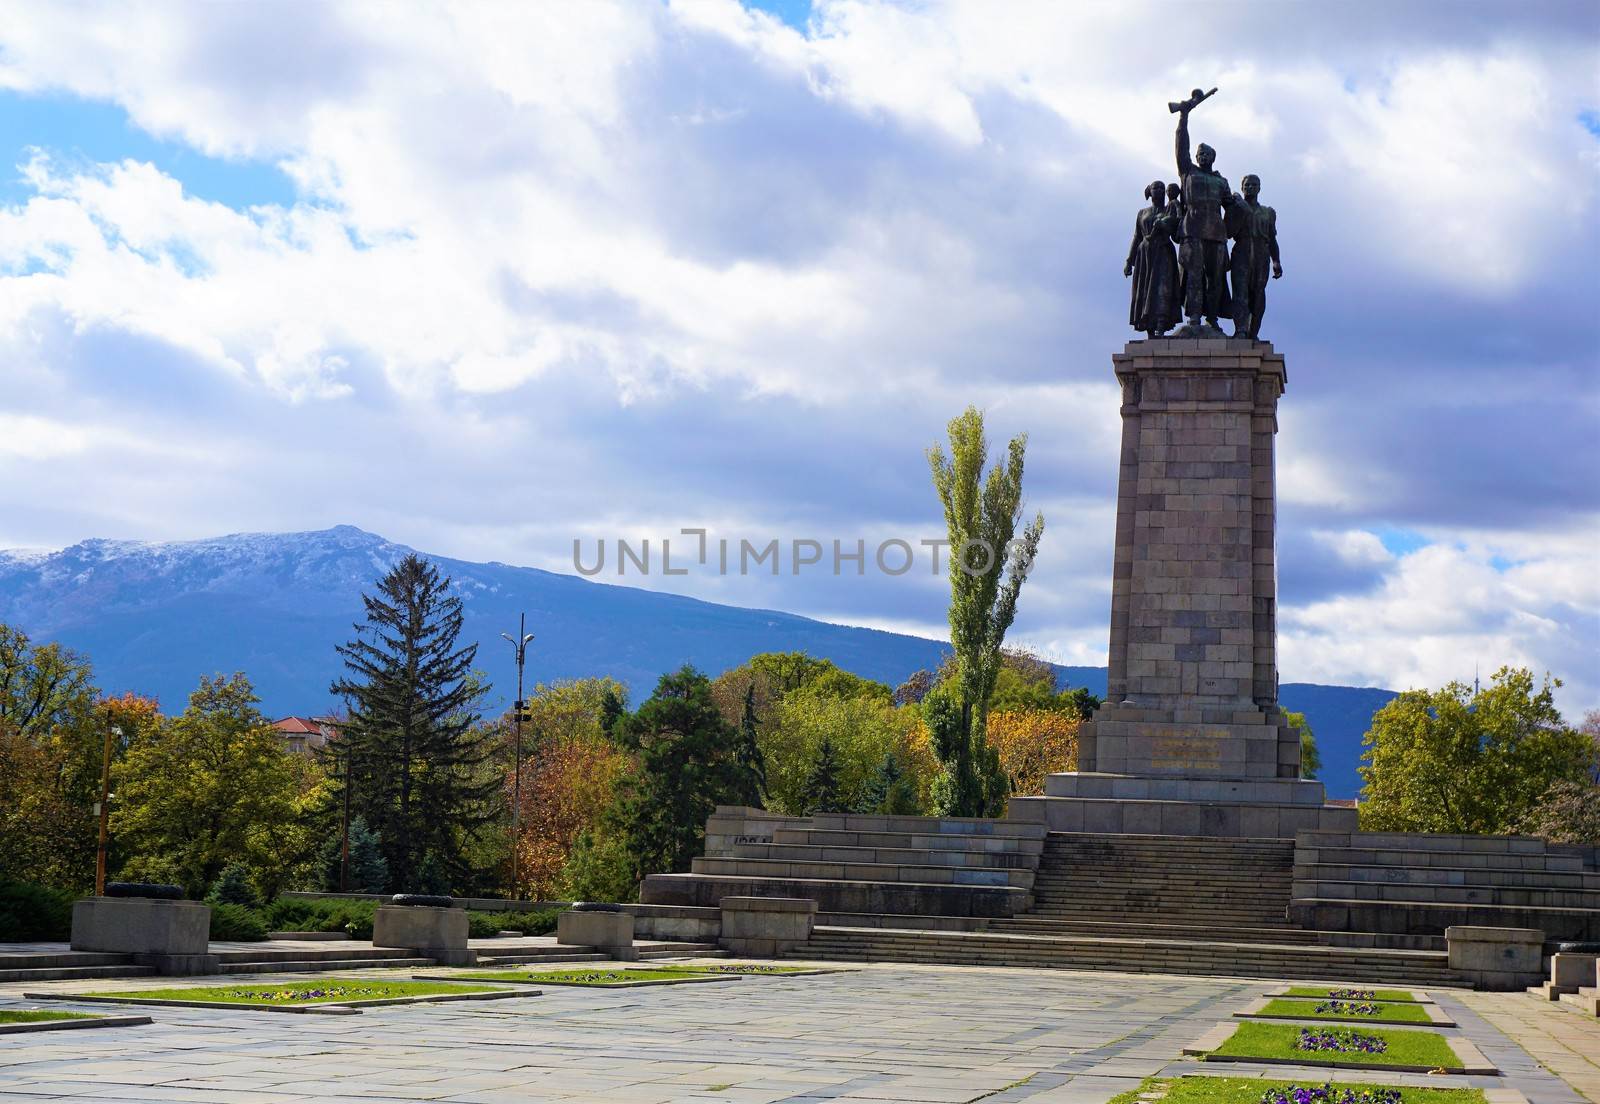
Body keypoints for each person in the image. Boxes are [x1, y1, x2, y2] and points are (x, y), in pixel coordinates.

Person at [1174, 104, 1233, 333]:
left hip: (1216, 233)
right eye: (1200, 154)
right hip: (1193, 230)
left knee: (1215, 279)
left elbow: (1232, 207)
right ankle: (1195, 318)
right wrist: (1183, 117)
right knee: (1194, 276)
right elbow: (1181, 147)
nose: (1203, 156)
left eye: (1207, 154)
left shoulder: (1221, 182)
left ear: (1213, 158)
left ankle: (1212, 317)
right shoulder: (1189, 171)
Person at [1226, 174, 1282, 340]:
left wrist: (1276, 260)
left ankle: (1253, 332)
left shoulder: (1268, 212)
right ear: (1242, 188)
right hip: (1241, 251)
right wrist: (1237, 209)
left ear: (1259, 188)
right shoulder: (1236, 207)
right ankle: (1240, 330)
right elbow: (1228, 232)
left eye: (1253, 185)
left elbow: (1272, 238)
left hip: (1261, 254)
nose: (1250, 187)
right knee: (1240, 292)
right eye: (1247, 185)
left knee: (1258, 295)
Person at [1124, 181, 1181, 338]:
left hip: (1163, 251)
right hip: (1145, 254)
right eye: (1156, 187)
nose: (1160, 190)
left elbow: (1177, 231)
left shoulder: (1170, 209)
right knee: (1145, 290)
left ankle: (1161, 325)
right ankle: (1150, 329)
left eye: (1162, 188)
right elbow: (1137, 237)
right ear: (1149, 191)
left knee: (1163, 287)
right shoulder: (1142, 213)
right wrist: (1129, 261)